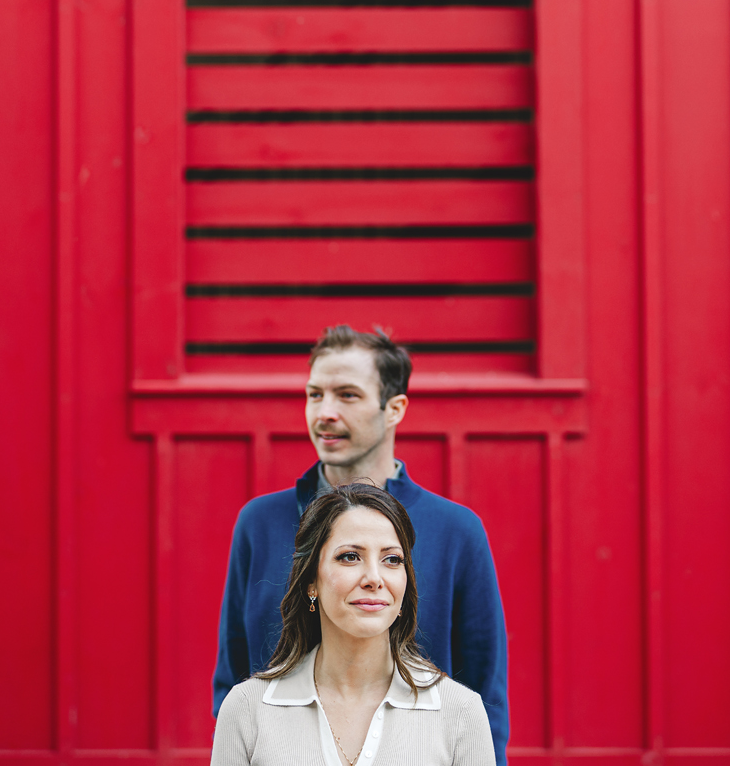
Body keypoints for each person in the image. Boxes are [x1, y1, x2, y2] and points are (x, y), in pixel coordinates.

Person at [214, 326, 509, 763]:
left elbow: (485, 693)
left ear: (394, 408)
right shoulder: (258, 522)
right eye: (315, 395)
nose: (324, 413)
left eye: (347, 395)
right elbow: (233, 675)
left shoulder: (457, 529)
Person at [211, 483, 497, 766]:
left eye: (392, 559)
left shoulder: (460, 712)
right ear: (312, 581)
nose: (374, 577)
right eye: (350, 557)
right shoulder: (247, 709)